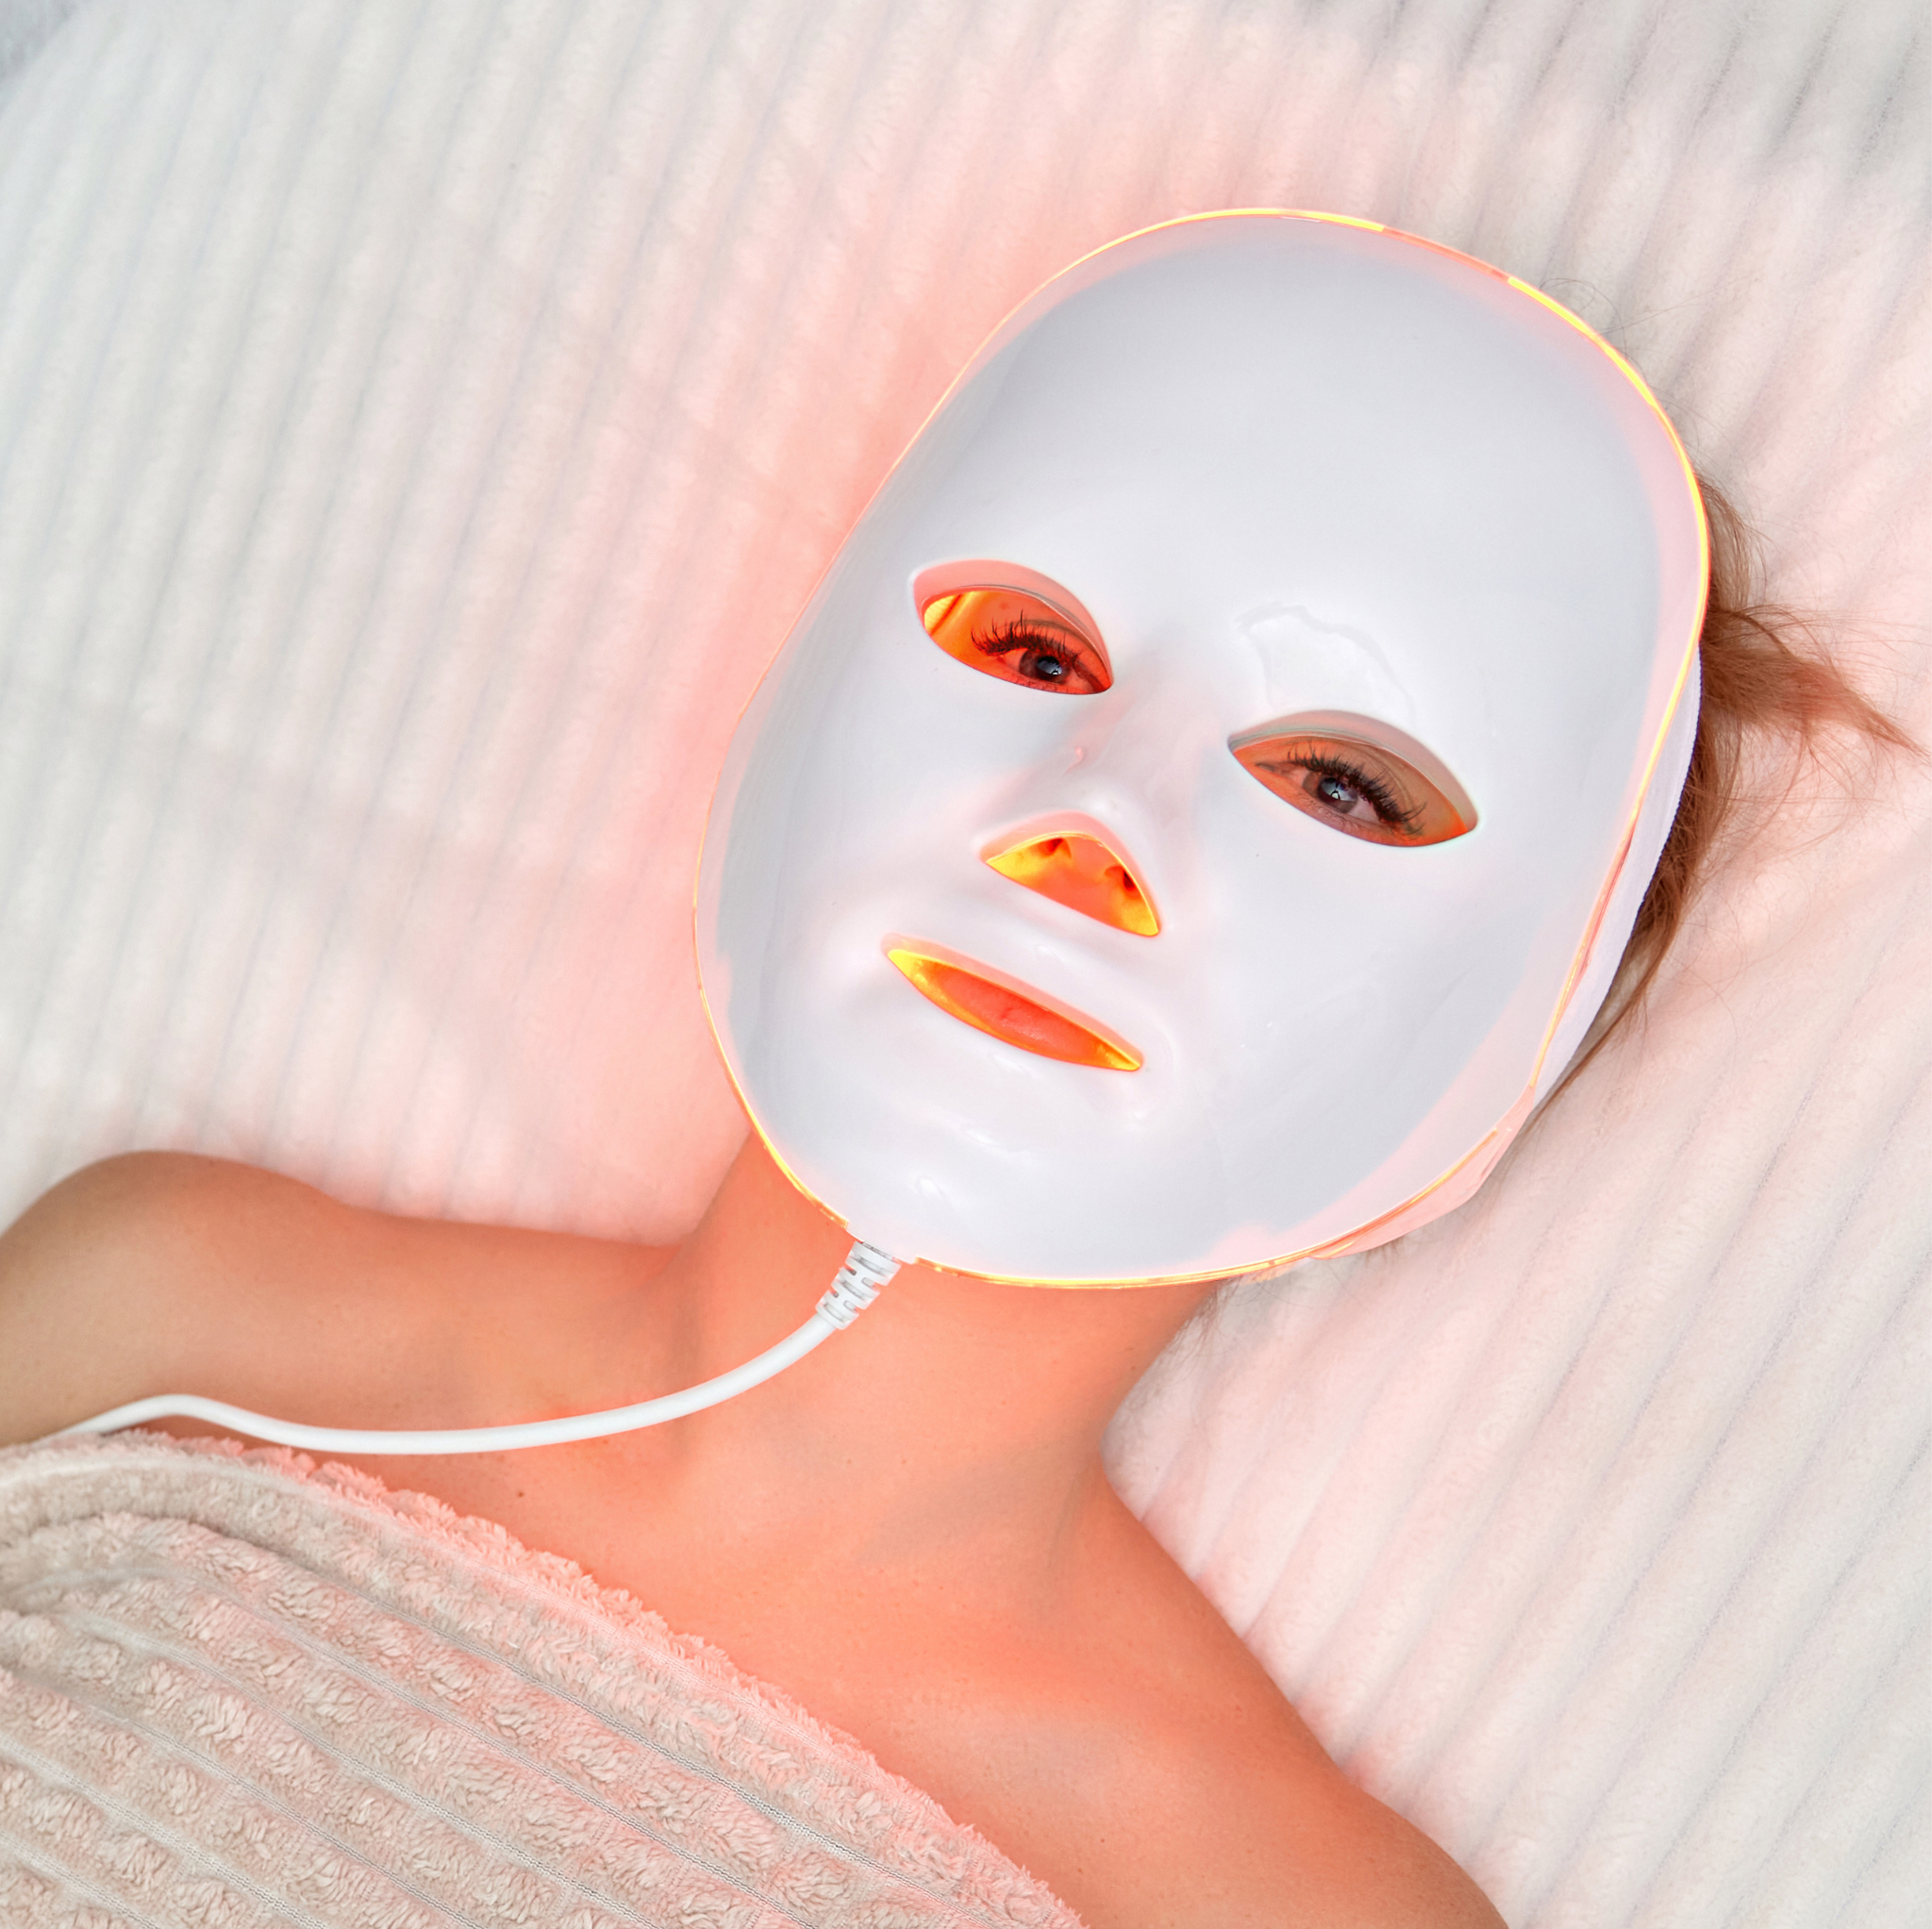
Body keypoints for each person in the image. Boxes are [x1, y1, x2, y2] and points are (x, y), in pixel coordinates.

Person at [0, 215, 1900, 1927]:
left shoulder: (1282, 1901)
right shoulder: (187, 1300)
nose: (1093, 830)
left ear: (1516, 1042)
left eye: (1341, 787)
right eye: (1035, 650)